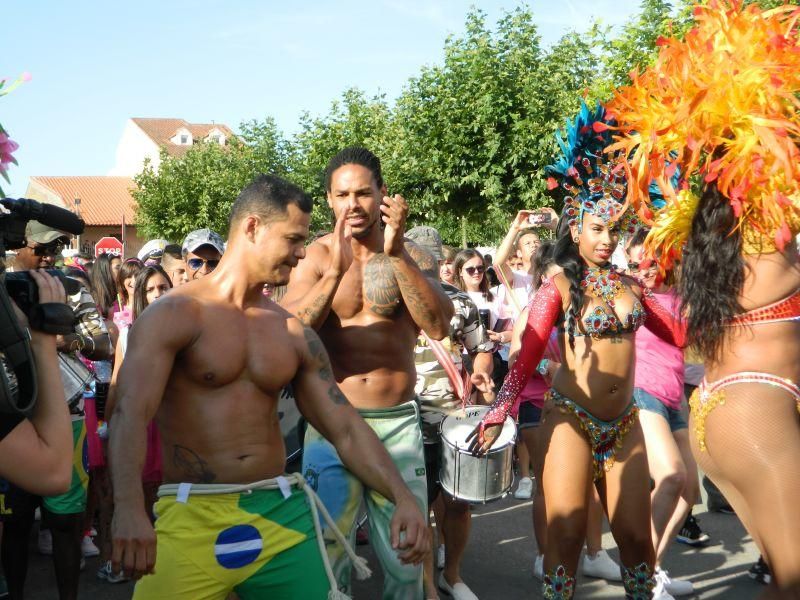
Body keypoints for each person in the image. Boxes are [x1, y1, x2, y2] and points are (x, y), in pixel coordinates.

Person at [110, 173, 428, 599]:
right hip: (191, 514)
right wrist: (128, 508)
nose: (301, 254)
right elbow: (129, 411)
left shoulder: (290, 331)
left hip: (279, 511)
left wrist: (402, 496)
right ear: (253, 227)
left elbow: (346, 428)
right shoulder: (174, 315)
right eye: (294, 239)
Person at [608, 3, 800, 595]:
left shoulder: (718, 238)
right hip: (755, 411)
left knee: (784, 580)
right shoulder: (770, 234)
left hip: (720, 412)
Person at [469, 103, 685, 599]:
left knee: (635, 539)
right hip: (571, 419)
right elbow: (524, 356)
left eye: (614, 229)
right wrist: (500, 409)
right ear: (575, 229)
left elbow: (676, 335)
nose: (608, 239)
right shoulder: (559, 287)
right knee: (564, 536)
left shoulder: (634, 287)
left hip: (625, 421)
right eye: (597, 229)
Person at [281, 147, 452, 599]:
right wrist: (334, 272)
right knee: (328, 556)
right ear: (329, 200)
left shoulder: (410, 254)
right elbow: (289, 332)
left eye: (363, 193)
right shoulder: (314, 257)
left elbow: (437, 324)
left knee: (406, 560)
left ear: (382, 195)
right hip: (331, 425)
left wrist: (397, 256)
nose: (352, 204)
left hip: (397, 422)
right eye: (342, 195)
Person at [1, 221, 113, 600]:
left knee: (65, 523)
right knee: (14, 523)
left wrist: (66, 340)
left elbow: (103, 344)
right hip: (13, 422)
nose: (50, 255)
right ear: (18, 245)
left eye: (58, 246)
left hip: (70, 419)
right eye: (41, 247)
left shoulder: (71, 286)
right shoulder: (2, 290)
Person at [509, 242, 622, 585]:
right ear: (543, 275)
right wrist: (548, 365)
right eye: (558, 271)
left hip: (582, 406)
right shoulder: (533, 311)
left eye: (569, 270)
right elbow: (516, 359)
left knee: (589, 485)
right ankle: (545, 556)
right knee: (547, 485)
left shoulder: (584, 309)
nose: (566, 278)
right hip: (539, 404)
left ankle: (595, 554)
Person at [407, 226, 494, 600]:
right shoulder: (390, 301)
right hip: (405, 424)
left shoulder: (461, 303)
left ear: (441, 260)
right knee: (420, 509)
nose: (427, 265)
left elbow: (483, 348)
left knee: (458, 504)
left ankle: (452, 575)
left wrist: (481, 371)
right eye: (418, 258)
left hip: (454, 421)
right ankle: (427, 586)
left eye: (431, 258)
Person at [625, 229, 698, 597]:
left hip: (674, 399)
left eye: (651, 260)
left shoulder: (683, 296)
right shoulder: (632, 297)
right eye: (637, 261)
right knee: (670, 476)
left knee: (689, 492)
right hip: (643, 393)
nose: (645, 269)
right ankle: (641, 575)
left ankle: (653, 568)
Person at [98, 265, 173, 584]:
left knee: (164, 497)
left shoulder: (185, 329)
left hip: (170, 426)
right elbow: (116, 381)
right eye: (150, 290)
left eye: (163, 288)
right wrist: (107, 424)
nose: (158, 295)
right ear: (137, 295)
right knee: (134, 495)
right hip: (139, 424)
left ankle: (165, 563)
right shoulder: (130, 331)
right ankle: (133, 565)